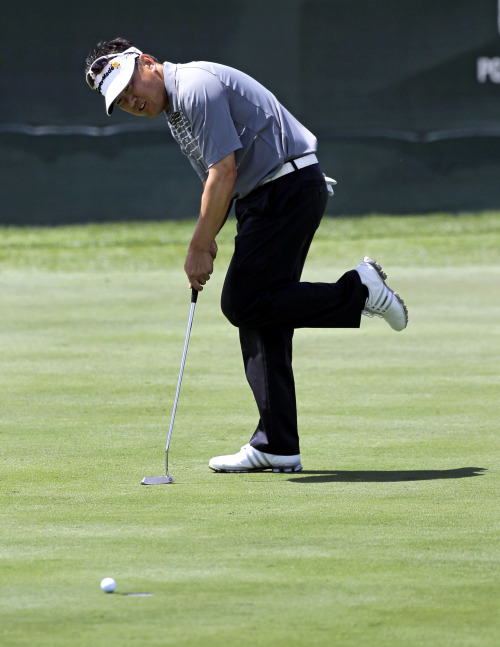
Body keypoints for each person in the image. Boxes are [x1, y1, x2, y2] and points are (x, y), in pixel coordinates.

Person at [85, 38, 408, 473]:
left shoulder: (196, 87)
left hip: (286, 188)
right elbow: (220, 181)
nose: (132, 101)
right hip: (269, 196)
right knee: (262, 312)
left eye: (130, 86)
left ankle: (360, 290)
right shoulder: (178, 110)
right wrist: (210, 233)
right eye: (121, 101)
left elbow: (223, 172)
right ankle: (277, 444)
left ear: (147, 62)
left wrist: (200, 245)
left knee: (242, 301)